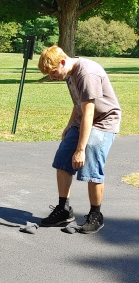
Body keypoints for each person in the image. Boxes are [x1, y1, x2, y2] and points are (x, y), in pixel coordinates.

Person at [38, 45, 121, 233]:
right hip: (83, 118)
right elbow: (79, 103)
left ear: (62, 62)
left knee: (91, 164)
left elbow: (89, 113)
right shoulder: (69, 72)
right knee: (62, 159)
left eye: (53, 72)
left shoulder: (86, 74)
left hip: (104, 120)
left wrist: (81, 149)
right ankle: (63, 210)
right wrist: (69, 126)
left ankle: (96, 215)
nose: (52, 77)